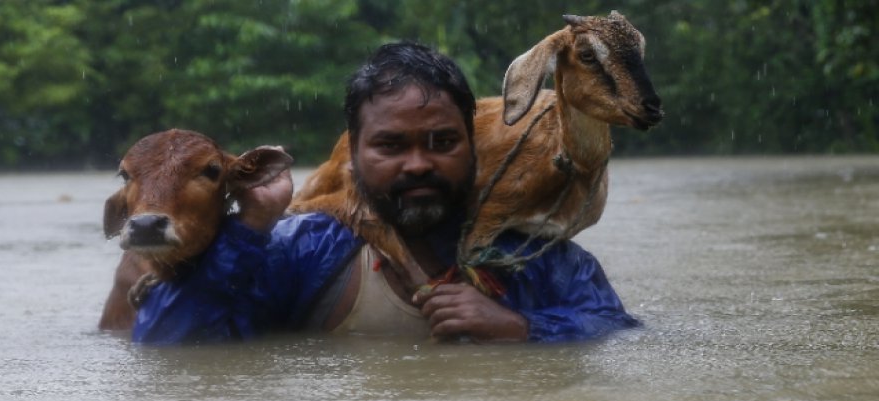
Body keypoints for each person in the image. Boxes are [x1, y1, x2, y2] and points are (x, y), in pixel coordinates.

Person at [132, 42, 640, 344]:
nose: (418, 163)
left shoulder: (536, 255)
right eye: (391, 145)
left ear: (472, 146)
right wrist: (249, 227)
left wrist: (523, 328)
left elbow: (621, 335)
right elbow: (169, 344)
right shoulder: (304, 248)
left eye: (443, 142)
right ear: (353, 154)